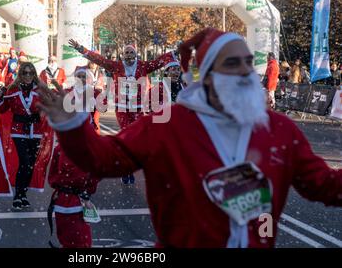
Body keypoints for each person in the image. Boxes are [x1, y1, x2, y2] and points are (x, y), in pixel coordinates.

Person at [38, 27, 342, 248]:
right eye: (231, 64)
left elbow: (324, 186)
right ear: (208, 75)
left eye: (248, 63)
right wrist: (73, 128)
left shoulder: (279, 130)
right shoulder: (167, 125)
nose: (245, 73)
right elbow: (104, 160)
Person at [68, 39, 174, 184]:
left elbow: (158, 62)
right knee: (125, 137)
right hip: (122, 107)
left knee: (136, 139)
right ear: (122, 55)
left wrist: (174, 52)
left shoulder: (143, 66)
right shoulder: (116, 66)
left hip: (138, 107)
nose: (129, 55)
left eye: (132, 52)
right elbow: (99, 59)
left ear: (136, 55)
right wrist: (82, 49)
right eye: (126, 53)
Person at [45, 66, 101, 248]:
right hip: (69, 199)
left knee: (72, 239)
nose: (82, 79)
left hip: (68, 198)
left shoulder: (95, 93)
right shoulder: (69, 93)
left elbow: (53, 176)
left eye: (85, 76)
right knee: (79, 241)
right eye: (79, 76)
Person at [0, 62, 48, 210]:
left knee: (30, 164)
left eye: (31, 73)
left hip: (36, 131)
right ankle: (17, 195)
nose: (28, 76)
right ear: (20, 74)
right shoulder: (12, 90)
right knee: (24, 161)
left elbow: (50, 106)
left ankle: (23, 194)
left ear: (34, 74)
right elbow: (2, 109)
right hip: (18, 130)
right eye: (25, 73)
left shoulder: (40, 90)